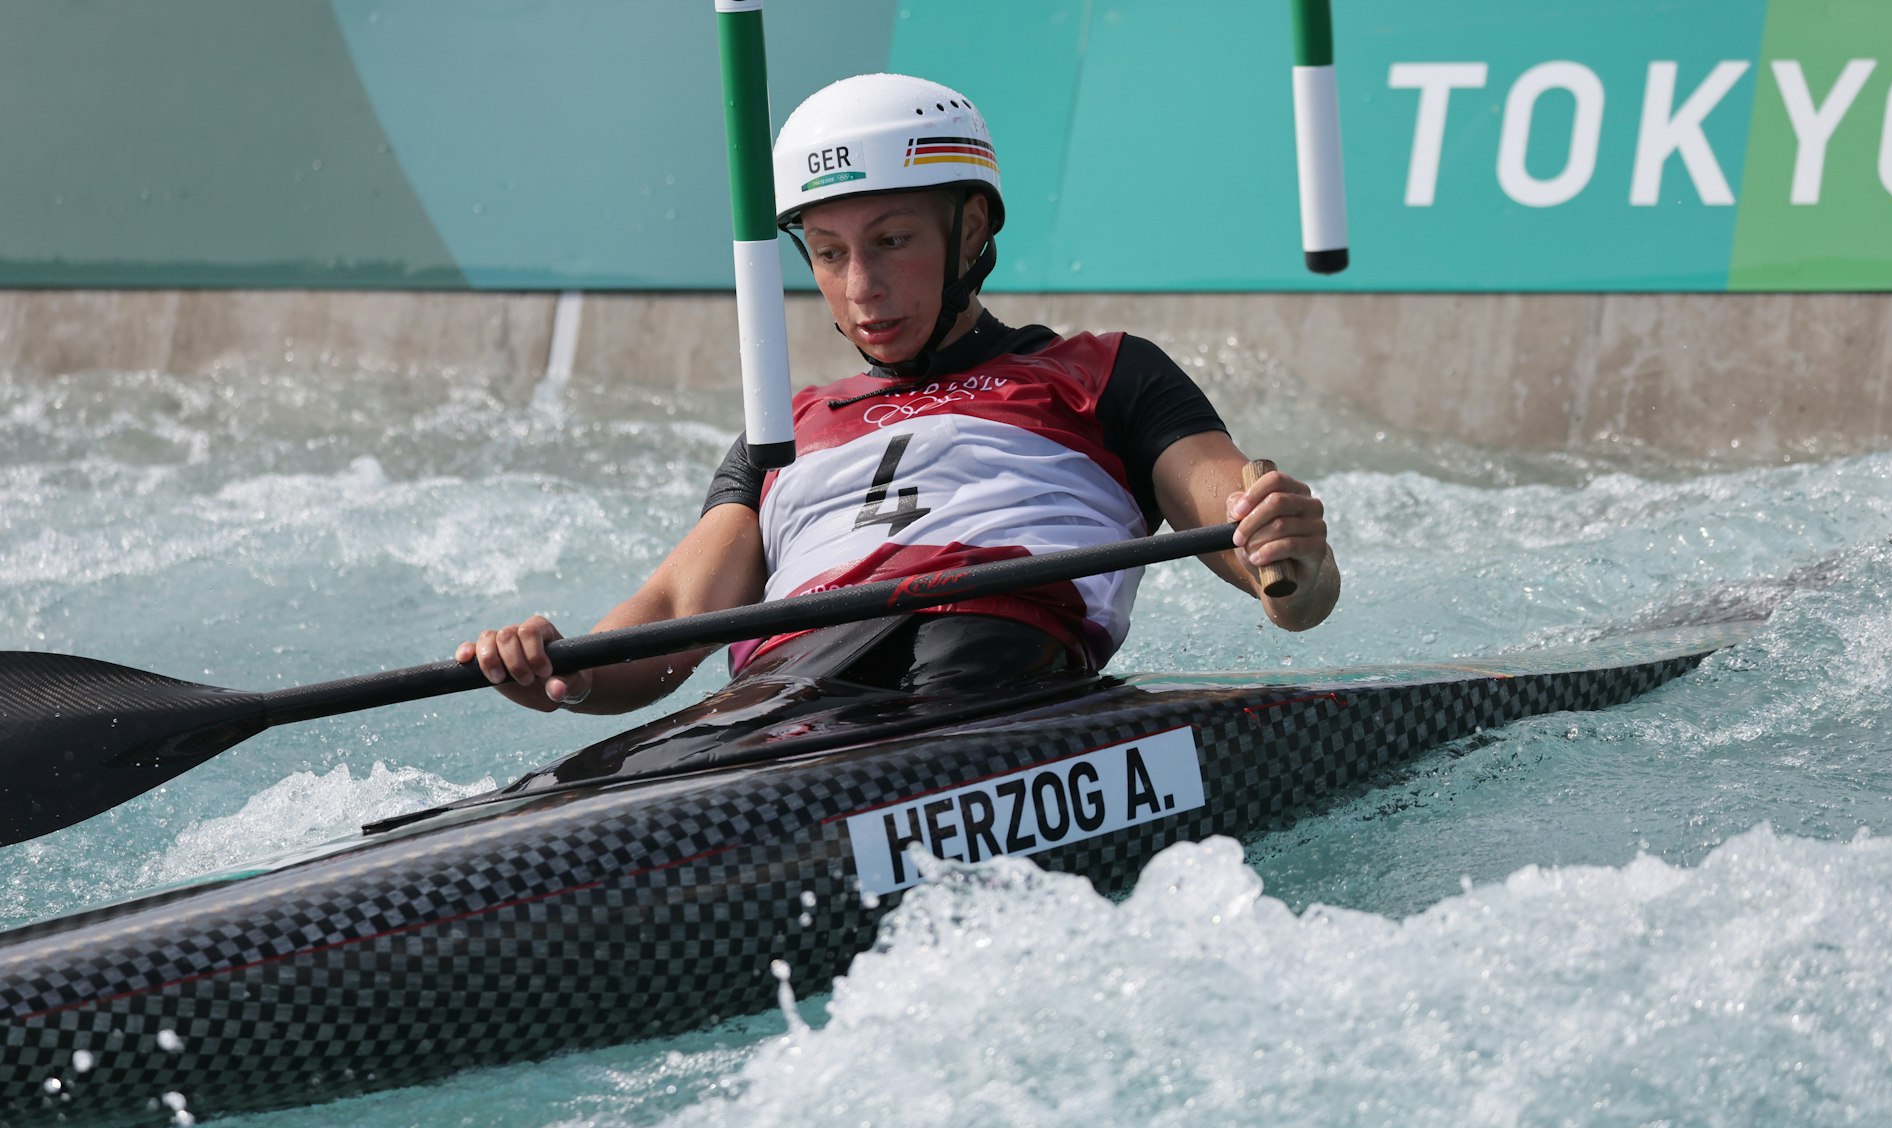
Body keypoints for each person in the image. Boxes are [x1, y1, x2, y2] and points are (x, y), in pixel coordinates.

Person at [459, 73, 1337, 712]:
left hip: (997, 655)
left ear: (972, 230)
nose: (861, 287)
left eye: (891, 241)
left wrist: (1285, 553)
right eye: (831, 253)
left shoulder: (1107, 371)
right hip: (788, 687)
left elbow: (1260, 550)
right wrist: (554, 672)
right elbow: (673, 623)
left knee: (950, 673)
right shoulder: (782, 426)